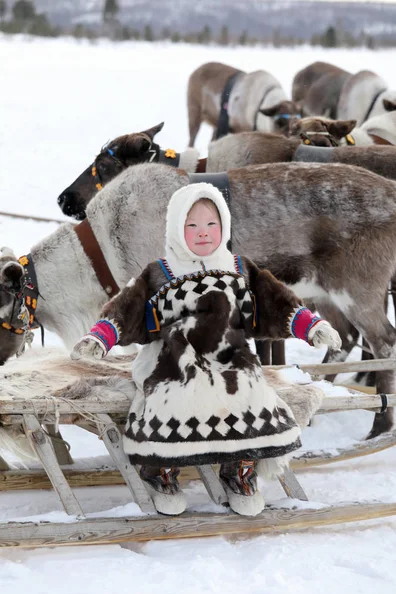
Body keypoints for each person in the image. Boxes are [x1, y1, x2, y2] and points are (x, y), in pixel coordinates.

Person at [71, 182, 341, 516]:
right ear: (175, 228)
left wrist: (311, 326)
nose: (203, 233)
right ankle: (161, 471)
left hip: (230, 358)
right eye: (192, 225)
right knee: (175, 397)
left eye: (212, 224)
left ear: (224, 227)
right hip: (171, 359)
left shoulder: (240, 269)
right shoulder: (159, 273)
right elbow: (127, 308)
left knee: (251, 395)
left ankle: (239, 470)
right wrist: (100, 337)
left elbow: (275, 301)